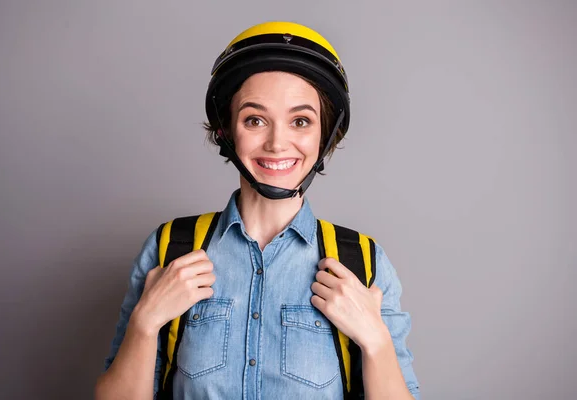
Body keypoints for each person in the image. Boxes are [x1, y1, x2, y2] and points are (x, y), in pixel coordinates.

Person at [95, 21, 420, 400]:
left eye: (300, 121)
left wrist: (376, 342)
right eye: (255, 119)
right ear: (226, 132)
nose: (277, 142)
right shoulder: (170, 249)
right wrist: (145, 323)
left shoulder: (363, 263)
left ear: (325, 135)